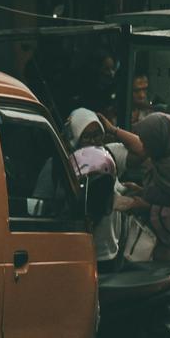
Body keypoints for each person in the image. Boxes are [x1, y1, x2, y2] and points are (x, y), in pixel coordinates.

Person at [98, 111, 170, 262]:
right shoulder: (162, 160)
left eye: (149, 143)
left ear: (160, 141)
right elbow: (163, 195)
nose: (145, 148)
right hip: (152, 246)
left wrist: (143, 206)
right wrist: (141, 191)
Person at [67, 108, 133, 274]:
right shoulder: (65, 163)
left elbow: (142, 149)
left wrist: (113, 130)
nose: (93, 141)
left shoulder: (109, 154)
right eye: (86, 136)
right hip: (79, 254)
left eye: (97, 135)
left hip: (112, 252)